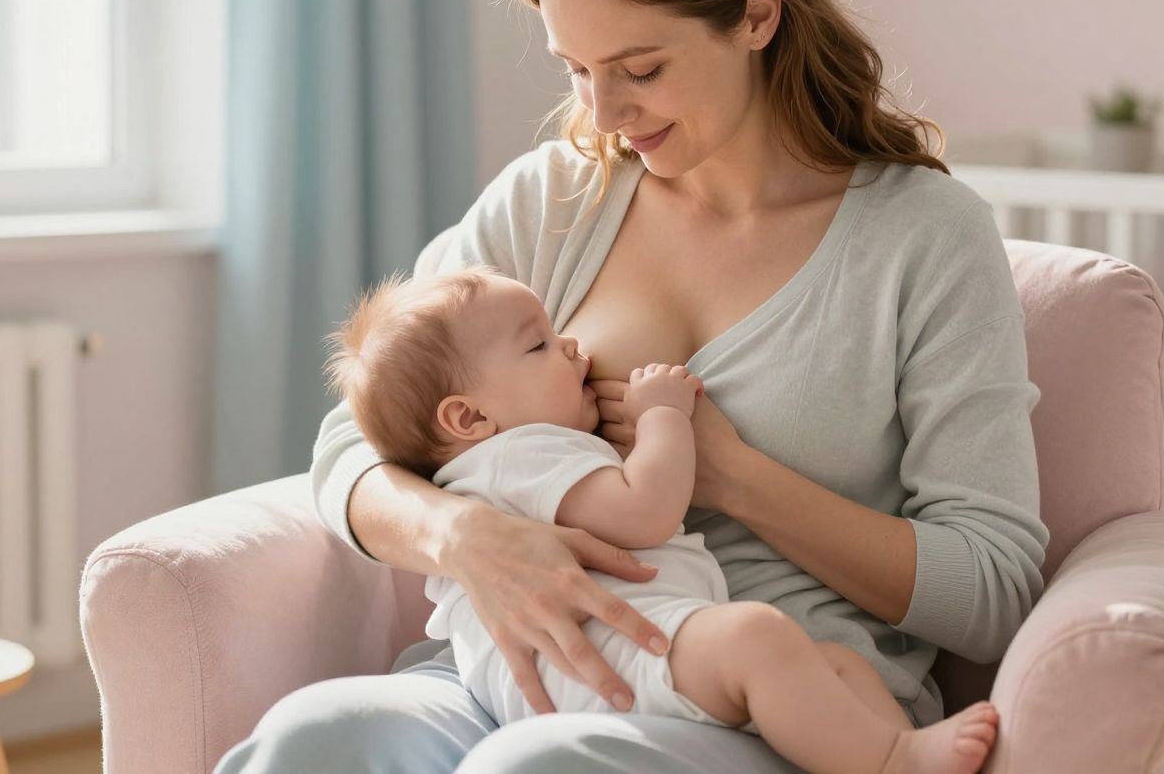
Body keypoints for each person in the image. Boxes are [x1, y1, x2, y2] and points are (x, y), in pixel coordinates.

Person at [214, 0, 1049, 774]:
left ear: (757, 17)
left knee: (537, 769)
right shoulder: (550, 202)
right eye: (577, 69)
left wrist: (732, 476)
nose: (603, 113)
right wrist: (467, 536)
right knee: (311, 739)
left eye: (641, 70)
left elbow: (992, 588)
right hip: (514, 678)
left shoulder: (924, 237)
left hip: (775, 704)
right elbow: (353, 442)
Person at [323, 265, 1001, 772]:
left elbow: (990, 584)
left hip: (590, 669)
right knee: (759, 636)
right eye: (540, 346)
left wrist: (738, 472)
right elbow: (645, 511)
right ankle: (894, 760)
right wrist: (663, 417)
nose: (574, 347)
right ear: (469, 417)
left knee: (834, 667)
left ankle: (894, 755)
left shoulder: (496, 456)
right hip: (612, 663)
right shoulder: (519, 456)